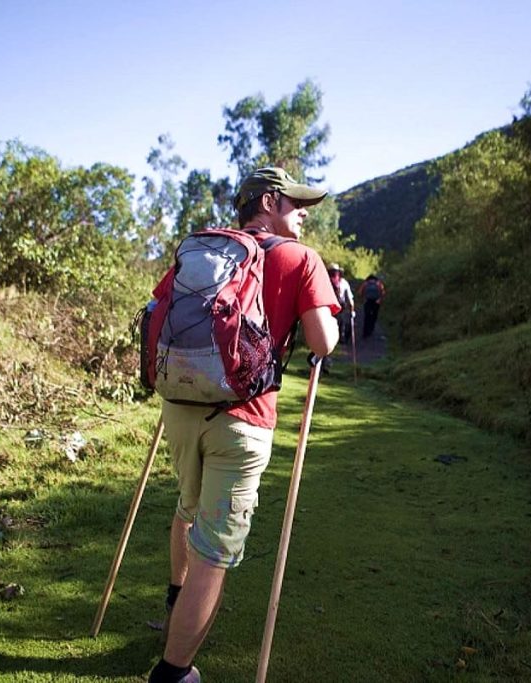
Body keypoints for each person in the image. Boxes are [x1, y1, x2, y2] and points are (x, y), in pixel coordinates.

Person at [148, 167, 340, 683]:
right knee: (214, 552)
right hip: (244, 422)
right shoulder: (300, 258)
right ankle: (174, 672)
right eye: (297, 203)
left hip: (180, 408)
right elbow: (322, 341)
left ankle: (174, 600)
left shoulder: (202, 250)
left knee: (187, 511)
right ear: (271, 201)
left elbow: (158, 308)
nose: (303, 212)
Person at [327, 263, 355, 345]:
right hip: (338, 305)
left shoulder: (325, 281)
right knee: (340, 322)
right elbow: (350, 298)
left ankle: (335, 339)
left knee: (336, 322)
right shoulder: (343, 282)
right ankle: (339, 338)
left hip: (331, 305)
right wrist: (352, 309)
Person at [357, 274, 386, 338]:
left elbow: (359, 292)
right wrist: (380, 299)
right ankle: (371, 329)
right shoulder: (379, 283)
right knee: (374, 316)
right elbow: (383, 292)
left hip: (367, 301)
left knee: (367, 316)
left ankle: (365, 332)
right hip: (376, 301)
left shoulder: (365, 283)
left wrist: (363, 298)